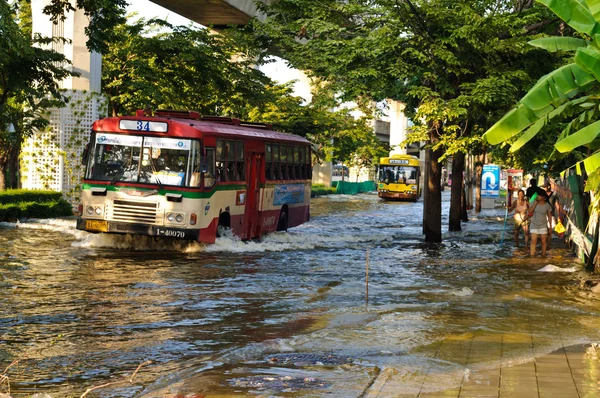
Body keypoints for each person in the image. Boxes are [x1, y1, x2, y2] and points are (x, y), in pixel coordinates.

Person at [528, 192, 553, 257]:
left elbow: (549, 216)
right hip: (534, 224)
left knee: (543, 241)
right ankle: (532, 256)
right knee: (533, 240)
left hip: (543, 225)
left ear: (543, 197)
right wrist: (535, 203)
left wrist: (550, 227)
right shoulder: (533, 202)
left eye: (539, 195)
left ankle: (543, 255)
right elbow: (530, 211)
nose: (537, 196)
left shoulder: (547, 205)